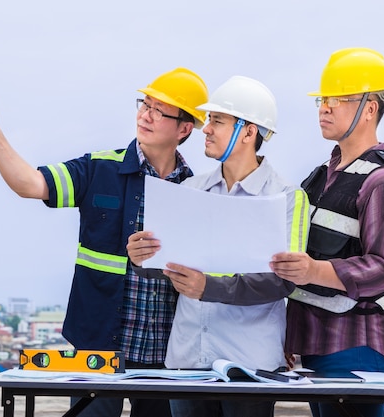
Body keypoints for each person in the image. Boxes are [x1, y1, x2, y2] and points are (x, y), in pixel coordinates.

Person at [0, 67, 209, 417]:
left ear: (184, 128)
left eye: (159, 110)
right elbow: (31, 184)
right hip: (97, 346)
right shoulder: (99, 169)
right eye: (145, 104)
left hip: (166, 354)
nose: (145, 115)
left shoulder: (196, 191)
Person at [127, 76, 309, 417]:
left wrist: (207, 287)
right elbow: (165, 267)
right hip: (187, 361)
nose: (206, 129)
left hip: (251, 366)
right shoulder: (190, 188)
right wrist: (141, 258)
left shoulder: (287, 197)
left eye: (217, 121)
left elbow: (283, 281)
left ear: (248, 131)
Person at [269, 47, 384, 417]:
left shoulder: (383, 182)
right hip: (312, 348)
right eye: (322, 99)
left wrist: (312, 271)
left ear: (369, 108)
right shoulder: (318, 177)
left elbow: (383, 268)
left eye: (338, 99)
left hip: (356, 350)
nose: (324, 107)